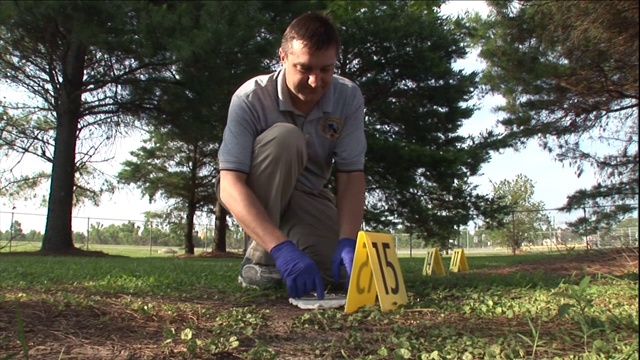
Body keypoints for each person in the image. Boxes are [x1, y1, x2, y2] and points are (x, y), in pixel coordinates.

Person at [217, 11, 366, 300]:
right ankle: (261, 258)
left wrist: (348, 239)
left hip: (308, 195)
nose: (315, 81)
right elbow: (229, 184)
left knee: (333, 272)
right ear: (283, 57)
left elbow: (351, 174)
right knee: (286, 138)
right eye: (305, 68)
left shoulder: (348, 97)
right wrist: (280, 248)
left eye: (326, 69)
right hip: (258, 188)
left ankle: (289, 248)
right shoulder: (250, 98)